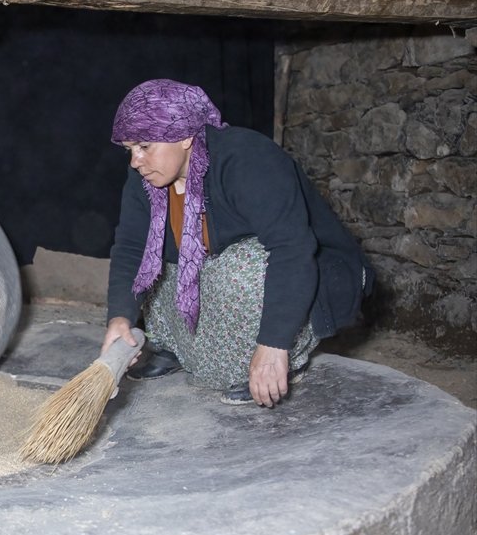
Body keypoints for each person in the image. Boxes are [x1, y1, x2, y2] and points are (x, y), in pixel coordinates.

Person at [102, 78, 374, 408]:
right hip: (217, 267)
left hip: (305, 273)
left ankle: (288, 353)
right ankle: (172, 343)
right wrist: (120, 318)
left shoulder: (247, 161)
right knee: (157, 262)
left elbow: (292, 249)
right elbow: (131, 247)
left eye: (144, 146)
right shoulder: (146, 178)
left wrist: (274, 344)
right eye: (130, 149)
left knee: (242, 265)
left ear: (185, 136)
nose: (135, 161)